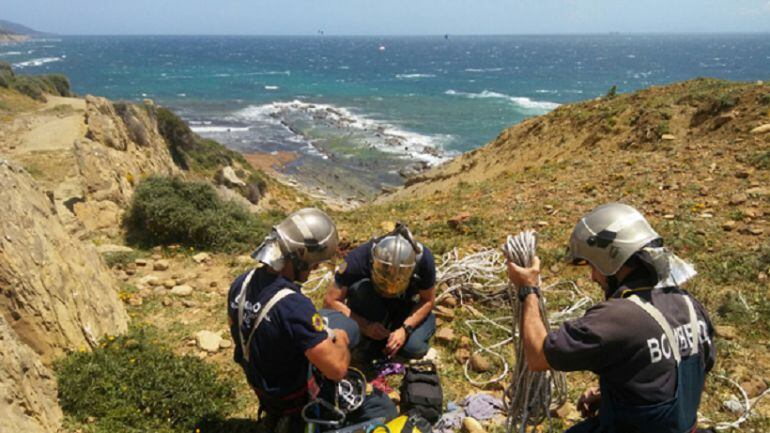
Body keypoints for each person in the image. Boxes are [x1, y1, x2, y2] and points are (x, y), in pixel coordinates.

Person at [507, 203, 716, 433]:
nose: (593, 277)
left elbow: (537, 356)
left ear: (611, 260)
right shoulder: (690, 305)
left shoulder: (615, 318)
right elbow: (681, 370)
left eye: (593, 266)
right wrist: (613, 397)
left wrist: (528, 289)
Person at [227, 208, 396, 433]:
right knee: (383, 408)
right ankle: (307, 423)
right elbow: (337, 369)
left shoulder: (241, 283)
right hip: (296, 399)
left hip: (265, 389)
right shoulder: (294, 306)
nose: (315, 267)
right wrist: (342, 340)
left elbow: (237, 329)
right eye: (313, 262)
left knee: (333, 319)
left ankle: (277, 416)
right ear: (298, 255)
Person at [323, 223, 436, 361]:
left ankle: (395, 330)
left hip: (405, 306)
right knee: (360, 289)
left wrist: (405, 330)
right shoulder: (358, 259)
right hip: (373, 302)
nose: (390, 290)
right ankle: (372, 335)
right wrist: (365, 326)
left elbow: (428, 300)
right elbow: (330, 301)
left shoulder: (424, 260)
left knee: (413, 348)